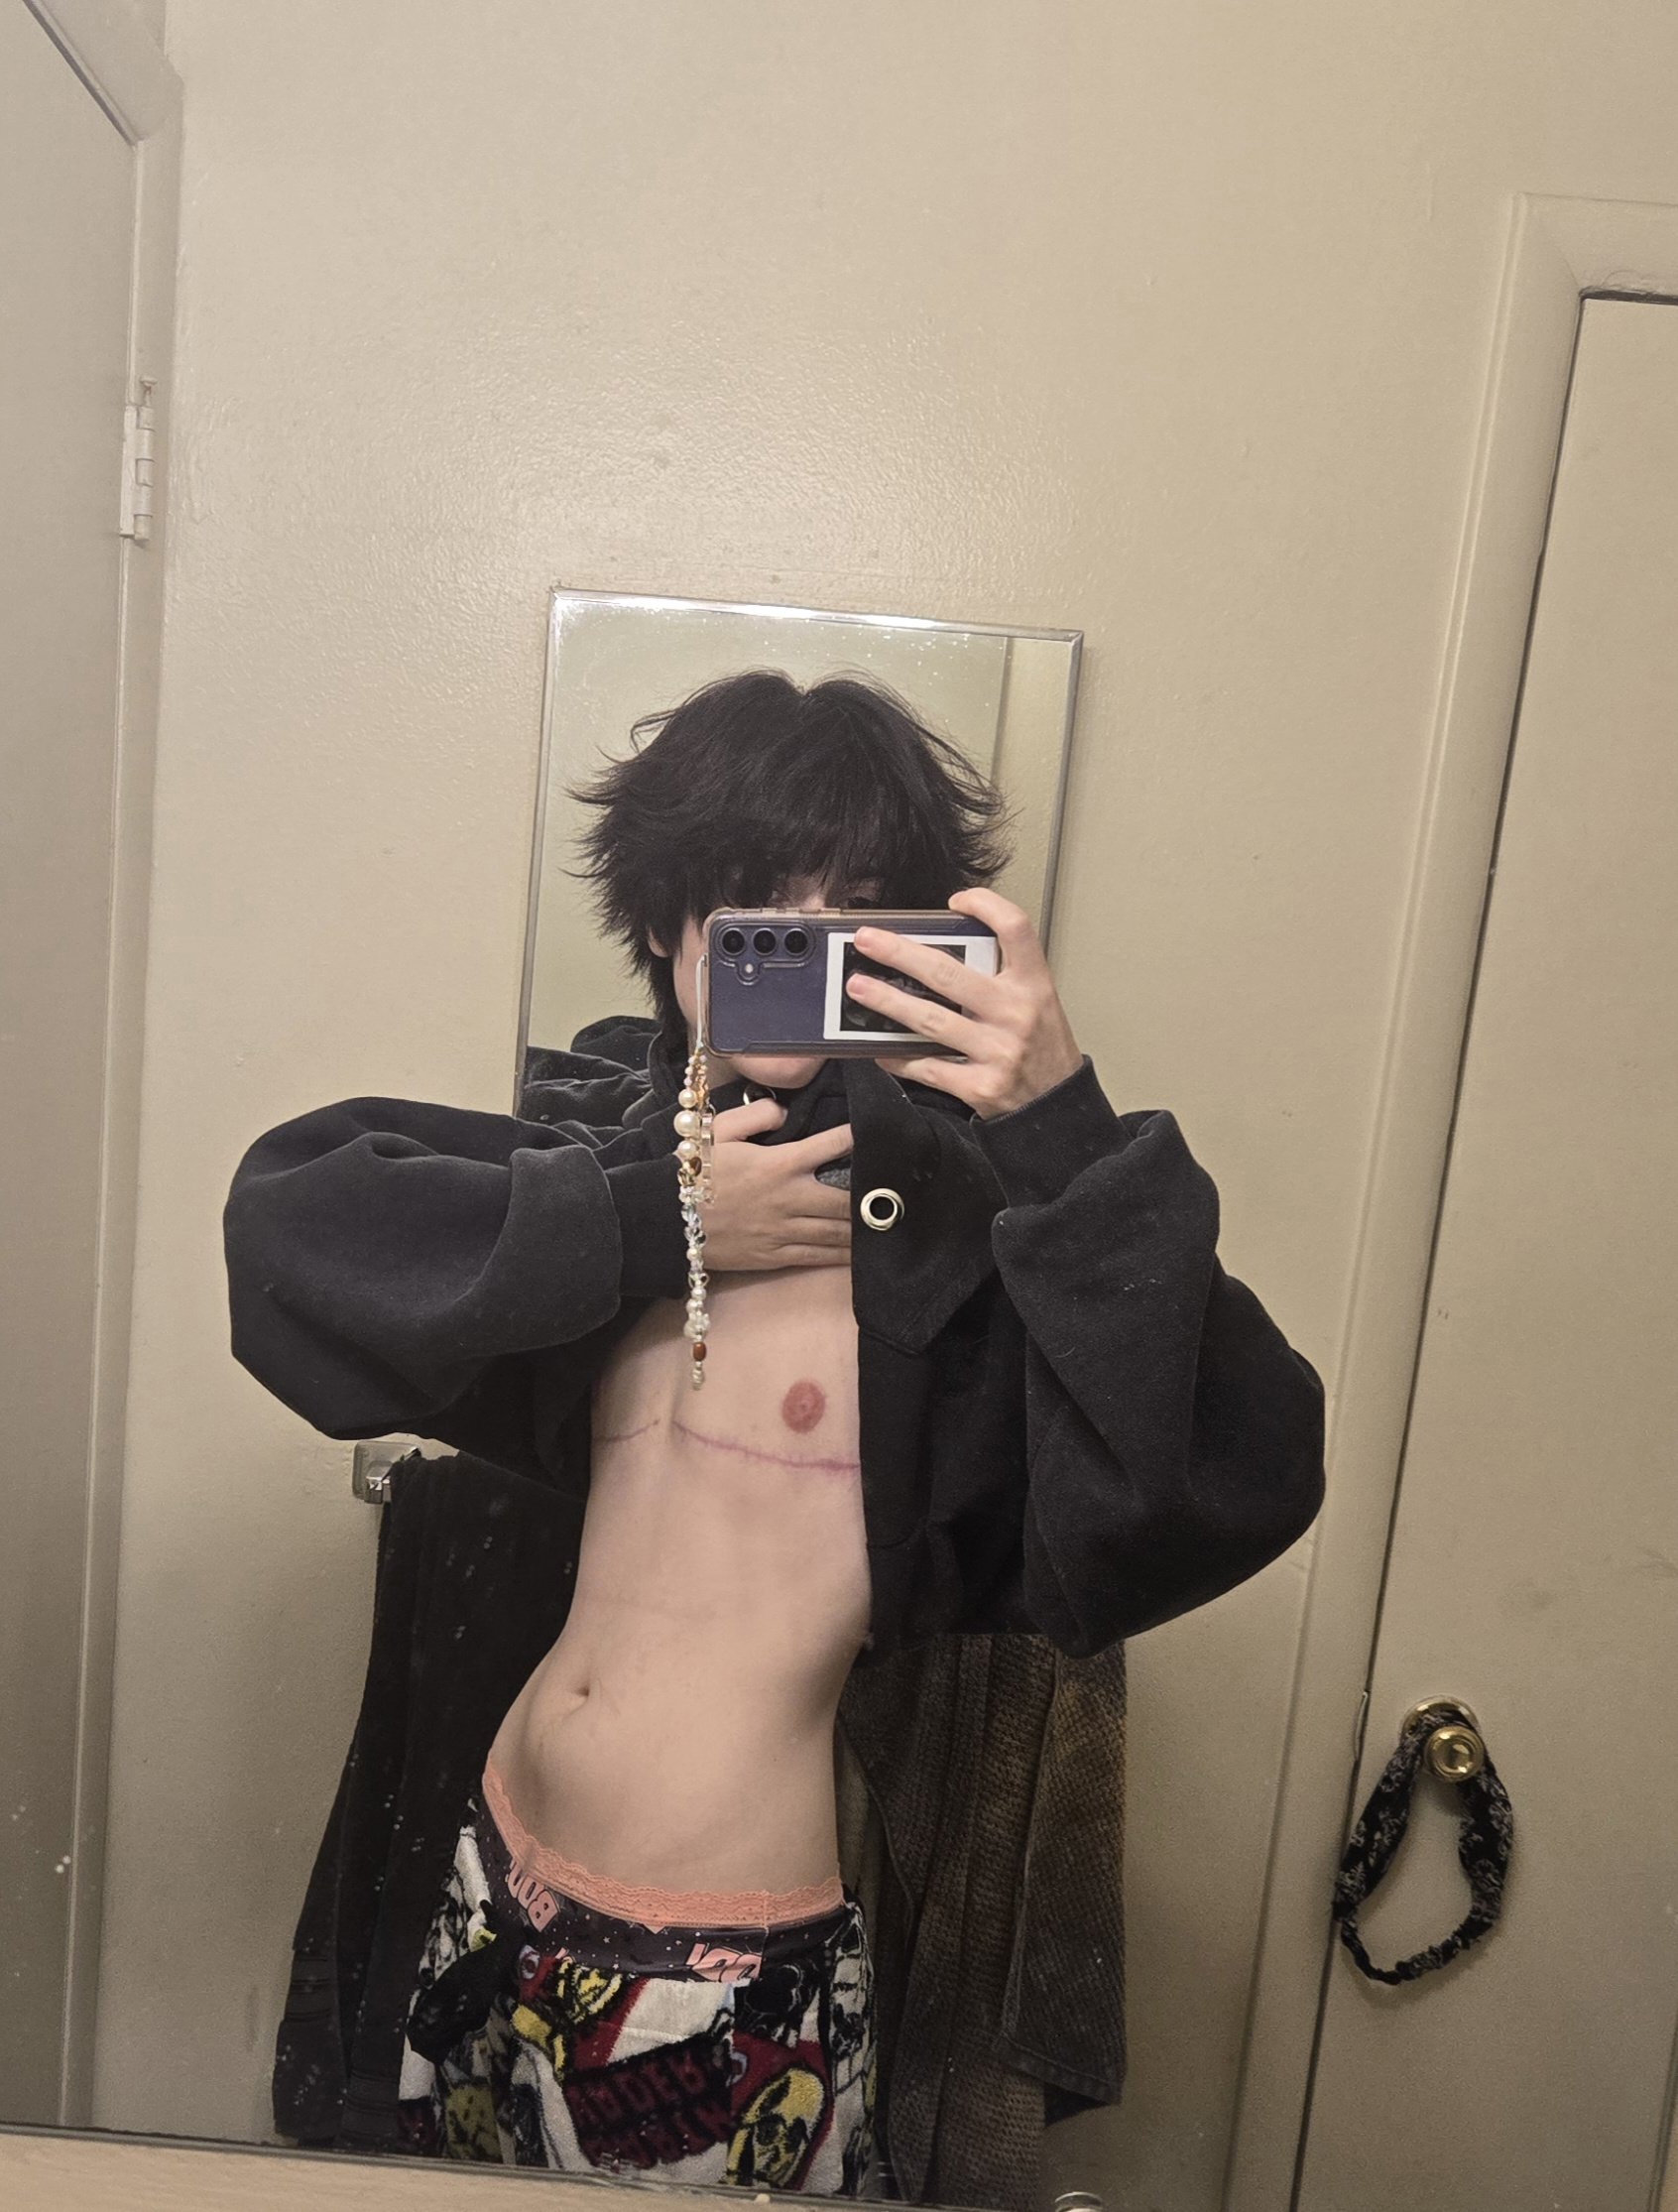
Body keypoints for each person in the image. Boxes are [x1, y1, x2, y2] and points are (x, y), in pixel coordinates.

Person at [223, 671, 1327, 2190]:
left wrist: (1058, 1120)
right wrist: (662, 1215)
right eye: (757, 904)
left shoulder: (947, 1238)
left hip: (712, 1963)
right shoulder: (607, 1165)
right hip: (491, 1871)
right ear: (667, 922)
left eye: (852, 911)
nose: (800, 947)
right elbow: (288, 1236)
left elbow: (1249, 1461)